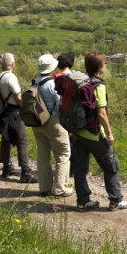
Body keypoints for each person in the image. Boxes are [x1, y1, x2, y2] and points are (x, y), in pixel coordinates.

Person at [71, 51, 127, 211]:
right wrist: (109, 133)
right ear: (99, 66)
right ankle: (116, 200)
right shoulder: (98, 85)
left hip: (78, 132)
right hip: (95, 133)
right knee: (111, 166)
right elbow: (102, 112)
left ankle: (83, 201)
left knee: (80, 168)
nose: (106, 65)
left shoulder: (80, 82)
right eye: (104, 63)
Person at [32, 54, 72, 197]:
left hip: (36, 122)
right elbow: (62, 103)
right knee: (63, 154)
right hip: (53, 122)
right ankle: (60, 188)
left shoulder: (33, 82)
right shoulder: (52, 84)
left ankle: (45, 188)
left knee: (43, 155)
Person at [0, 52, 37, 183]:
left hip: (3, 110)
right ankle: (25, 172)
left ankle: (6, 167)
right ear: (12, 64)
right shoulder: (11, 77)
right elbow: (18, 96)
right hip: (13, 111)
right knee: (22, 139)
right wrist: (25, 108)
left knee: (6, 137)